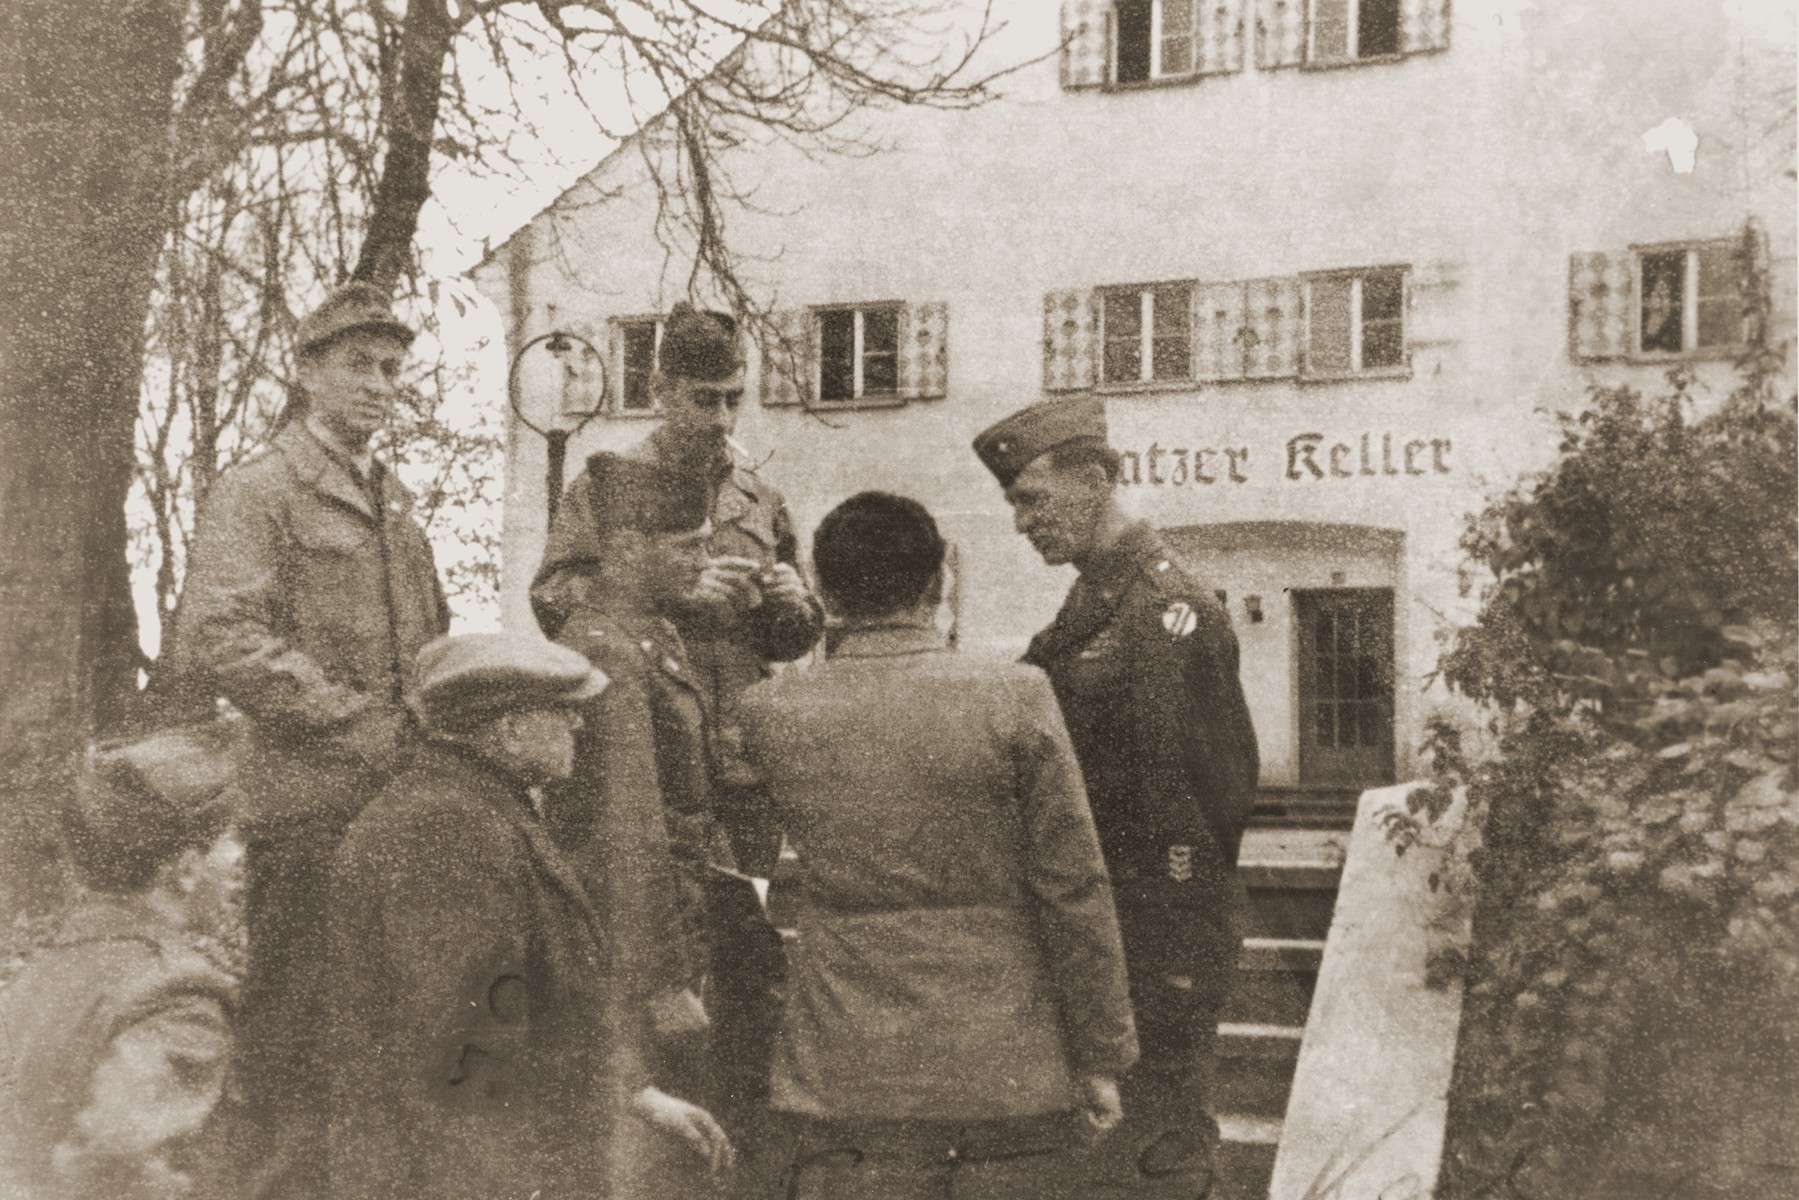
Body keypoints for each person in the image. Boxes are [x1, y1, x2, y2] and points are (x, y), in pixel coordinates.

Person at [734, 492, 1139, 1200]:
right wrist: (1100, 1054)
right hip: (1006, 1055)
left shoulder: (771, 710)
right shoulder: (1014, 695)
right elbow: (1073, 885)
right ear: (939, 582)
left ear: (825, 591)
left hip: (844, 1058)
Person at [170, 282, 451, 1193]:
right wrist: (358, 722)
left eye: (392, 369)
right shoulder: (259, 490)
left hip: (398, 815)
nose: (379, 385)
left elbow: (431, 644)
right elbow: (221, 636)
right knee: (292, 1052)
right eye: (358, 365)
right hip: (308, 816)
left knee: (381, 1048)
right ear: (307, 372)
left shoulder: (394, 505)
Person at [323, 632, 733, 1200]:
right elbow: (463, 1048)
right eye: (563, 713)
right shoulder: (449, 828)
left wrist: (637, 1093)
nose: (578, 727)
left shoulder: (475, 804)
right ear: (511, 730)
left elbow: (542, 996)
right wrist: (512, 1184)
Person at [973, 397, 1260, 1196]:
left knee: (1162, 1145)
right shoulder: (1095, 601)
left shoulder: (1165, 611)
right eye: (1013, 504)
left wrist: (1168, 952)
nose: (1022, 523)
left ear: (1096, 478)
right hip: (1110, 931)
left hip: (1153, 932)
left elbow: (1198, 802)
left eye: (1032, 499)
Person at [531, 301, 822, 876]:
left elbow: (791, 640)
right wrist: (668, 593)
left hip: (745, 759)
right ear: (662, 392)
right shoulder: (608, 485)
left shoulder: (762, 500)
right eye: (703, 399)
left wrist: (794, 606)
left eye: (733, 399)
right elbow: (554, 598)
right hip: (649, 752)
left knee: (746, 926)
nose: (722, 418)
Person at [544, 452, 757, 1196]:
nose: (704, 560)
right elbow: (624, 825)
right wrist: (663, 978)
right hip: (633, 949)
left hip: (671, 918)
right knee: (650, 1148)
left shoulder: (649, 632)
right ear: (628, 546)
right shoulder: (604, 648)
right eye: (688, 545)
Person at [0, 728, 238, 1200]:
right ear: (187, 869)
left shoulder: (37, 975)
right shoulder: (177, 997)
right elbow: (118, 1165)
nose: (237, 862)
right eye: (234, 842)